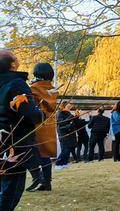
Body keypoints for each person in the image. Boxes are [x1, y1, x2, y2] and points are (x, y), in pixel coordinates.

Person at [0, 50, 45, 210]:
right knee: (12, 187)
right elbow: (29, 114)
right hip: (15, 142)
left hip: (3, 140)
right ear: (12, 64)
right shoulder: (16, 83)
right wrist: (41, 114)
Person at [26, 62, 58, 192]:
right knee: (45, 155)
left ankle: (38, 179)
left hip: (35, 124)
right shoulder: (53, 91)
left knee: (28, 152)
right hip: (49, 125)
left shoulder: (32, 89)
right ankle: (47, 182)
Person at [55, 101, 77, 169]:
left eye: (70, 107)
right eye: (68, 107)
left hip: (70, 134)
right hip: (64, 134)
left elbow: (73, 120)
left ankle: (64, 164)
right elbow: (61, 123)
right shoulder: (59, 113)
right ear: (63, 106)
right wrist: (70, 124)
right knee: (65, 150)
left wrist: (76, 116)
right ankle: (58, 164)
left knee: (68, 150)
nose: (69, 108)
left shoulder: (68, 113)